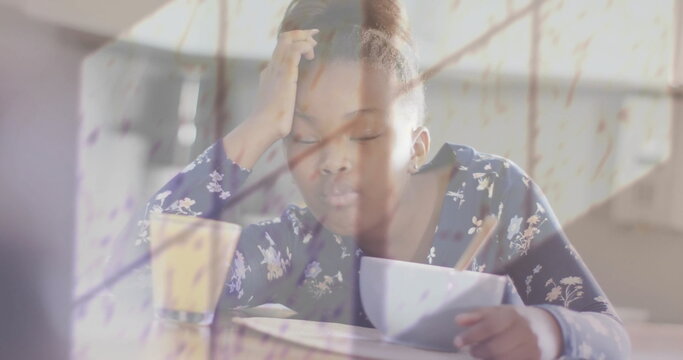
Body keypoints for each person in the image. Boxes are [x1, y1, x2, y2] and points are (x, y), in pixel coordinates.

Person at [124, 0, 630, 358]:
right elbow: (149, 270)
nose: (333, 161)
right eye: (302, 138)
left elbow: (609, 332)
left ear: (417, 147)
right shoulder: (301, 248)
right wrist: (258, 126)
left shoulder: (491, 195)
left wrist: (550, 332)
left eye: (364, 135)